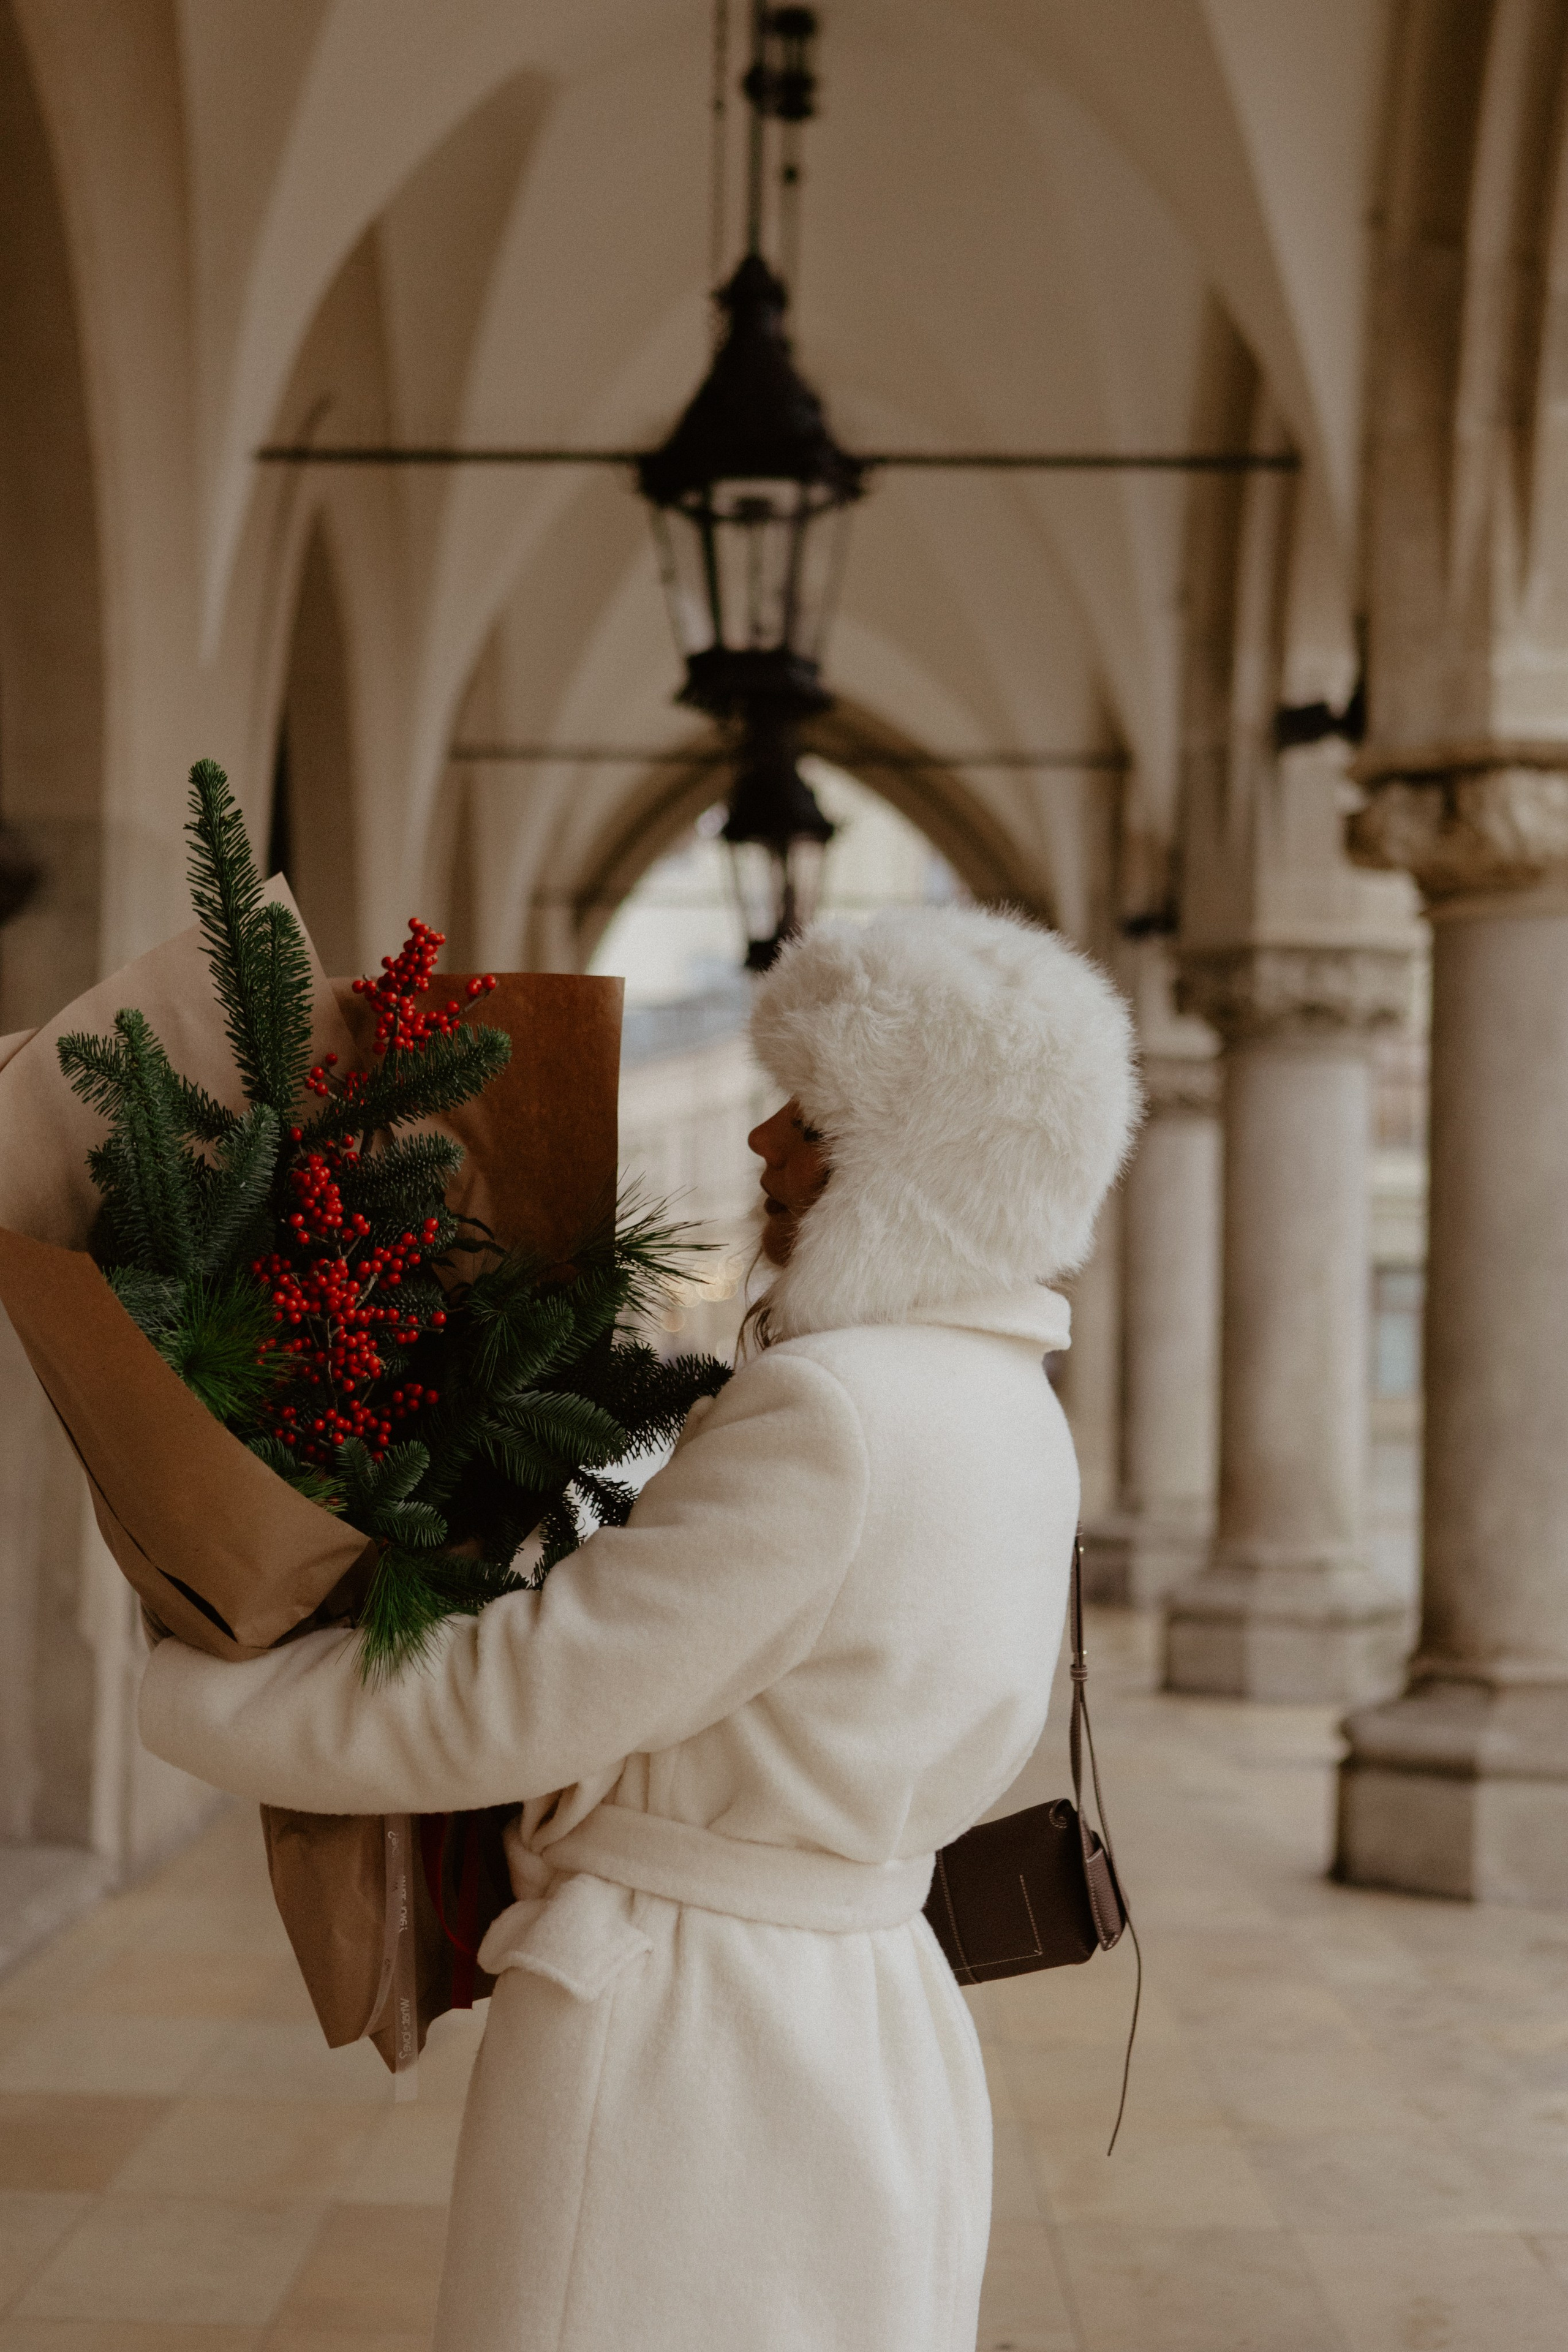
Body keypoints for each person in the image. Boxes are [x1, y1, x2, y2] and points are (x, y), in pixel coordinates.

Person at [139, 902, 1139, 2352]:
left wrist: (188, 1692)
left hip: (692, 2039)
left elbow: (515, 1699)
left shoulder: (838, 1412)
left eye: (812, 1115)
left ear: (918, 1157)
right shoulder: (1004, 1404)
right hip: (863, 2011)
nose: (763, 1146)